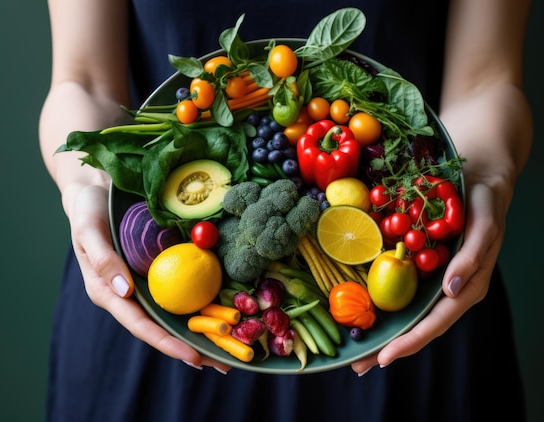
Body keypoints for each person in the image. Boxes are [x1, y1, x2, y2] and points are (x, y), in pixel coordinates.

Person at [39, 0, 532, 420]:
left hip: (416, 322)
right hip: (153, 324)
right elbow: (82, 81)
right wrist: (83, 186)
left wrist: (488, 178)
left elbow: (487, 79)